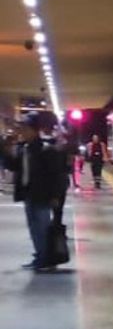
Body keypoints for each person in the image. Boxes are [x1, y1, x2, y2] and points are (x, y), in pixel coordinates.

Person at [12, 114, 67, 272]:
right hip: (28, 194)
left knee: (42, 227)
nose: (22, 131)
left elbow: (56, 175)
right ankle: (40, 256)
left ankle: (46, 258)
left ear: (34, 131)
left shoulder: (45, 149)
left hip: (42, 195)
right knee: (33, 227)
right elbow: (14, 166)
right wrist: (7, 151)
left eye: (25, 129)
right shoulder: (23, 149)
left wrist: (56, 196)